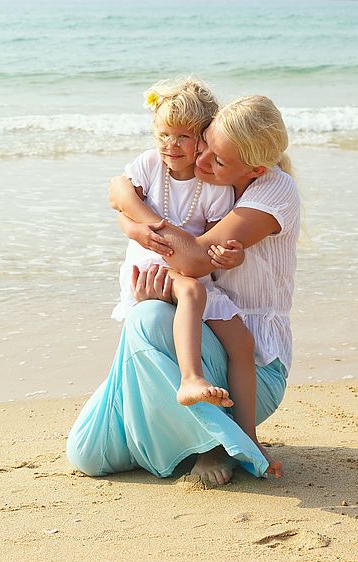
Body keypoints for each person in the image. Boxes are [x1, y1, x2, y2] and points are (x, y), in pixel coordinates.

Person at [67, 94, 300, 486]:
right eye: (206, 145)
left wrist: (133, 212)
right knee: (88, 454)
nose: (201, 162)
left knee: (150, 316)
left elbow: (192, 261)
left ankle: (217, 443)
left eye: (218, 160)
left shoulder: (273, 192)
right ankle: (185, 421)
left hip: (251, 373)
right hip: (187, 330)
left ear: (255, 168)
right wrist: (127, 212)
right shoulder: (185, 174)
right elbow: (126, 196)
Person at [112, 78, 276, 467]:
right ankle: (190, 378)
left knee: (241, 342)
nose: (171, 145)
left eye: (184, 136)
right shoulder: (149, 165)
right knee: (193, 294)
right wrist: (138, 228)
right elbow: (119, 198)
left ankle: (248, 435)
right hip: (151, 266)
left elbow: (214, 249)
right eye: (164, 134)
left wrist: (229, 258)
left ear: (204, 138)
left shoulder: (214, 188)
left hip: (191, 270)